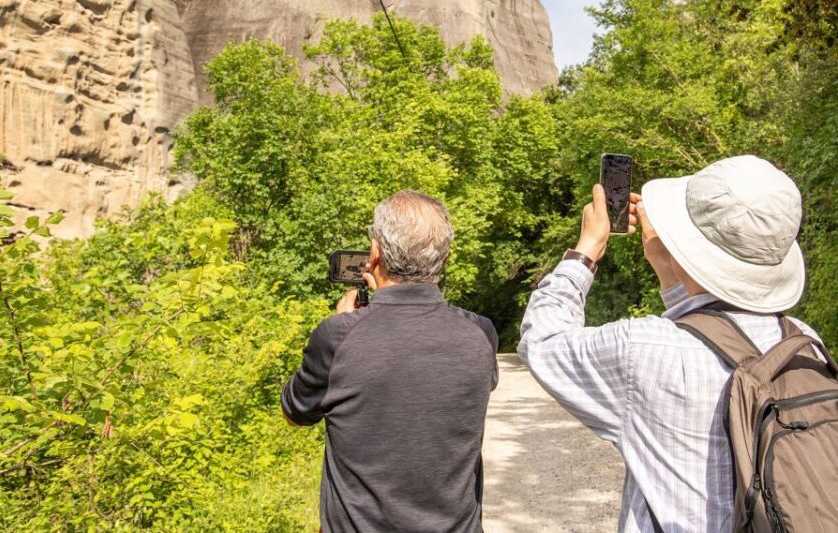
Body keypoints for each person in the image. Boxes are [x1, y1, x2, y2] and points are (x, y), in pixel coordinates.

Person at [518, 156, 822, 532]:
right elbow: (712, 331)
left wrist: (587, 250)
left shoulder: (641, 349)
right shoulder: (804, 341)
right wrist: (672, 273)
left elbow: (542, 341)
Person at [281, 190, 499, 532]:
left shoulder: (337, 337)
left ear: (375, 254)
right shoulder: (480, 333)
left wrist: (345, 322)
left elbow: (294, 415)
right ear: (443, 258)